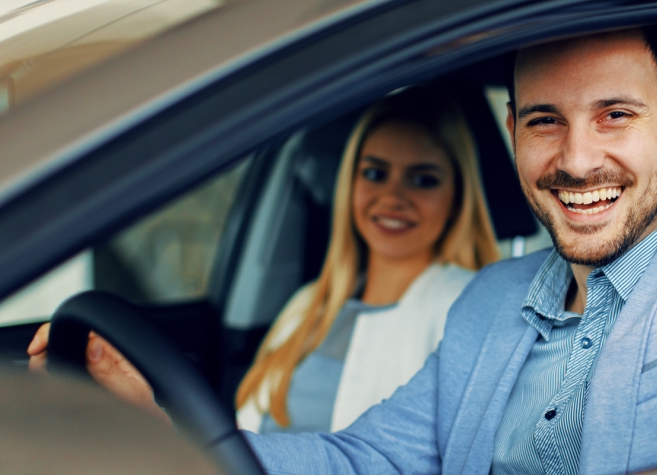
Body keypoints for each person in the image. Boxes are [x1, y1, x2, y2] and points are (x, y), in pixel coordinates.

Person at [32, 26, 657, 474]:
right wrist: (164, 439)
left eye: (616, 115)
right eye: (542, 122)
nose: (575, 159)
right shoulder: (488, 304)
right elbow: (367, 463)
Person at [28, 84, 501, 435]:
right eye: (374, 173)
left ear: (459, 196)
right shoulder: (307, 305)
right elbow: (240, 444)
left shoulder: (464, 308)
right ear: (349, 185)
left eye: (423, 179)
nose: (392, 197)